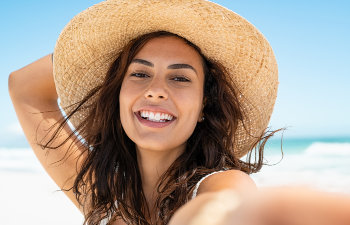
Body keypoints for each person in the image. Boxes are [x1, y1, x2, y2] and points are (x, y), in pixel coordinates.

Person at [8, 0, 350, 225]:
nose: (156, 89)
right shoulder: (104, 194)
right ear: (118, 95)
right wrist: (94, 51)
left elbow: (224, 209)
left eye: (180, 77)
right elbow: (24, 87)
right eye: (139, 73)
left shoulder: (220, 184)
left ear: (204, 106)